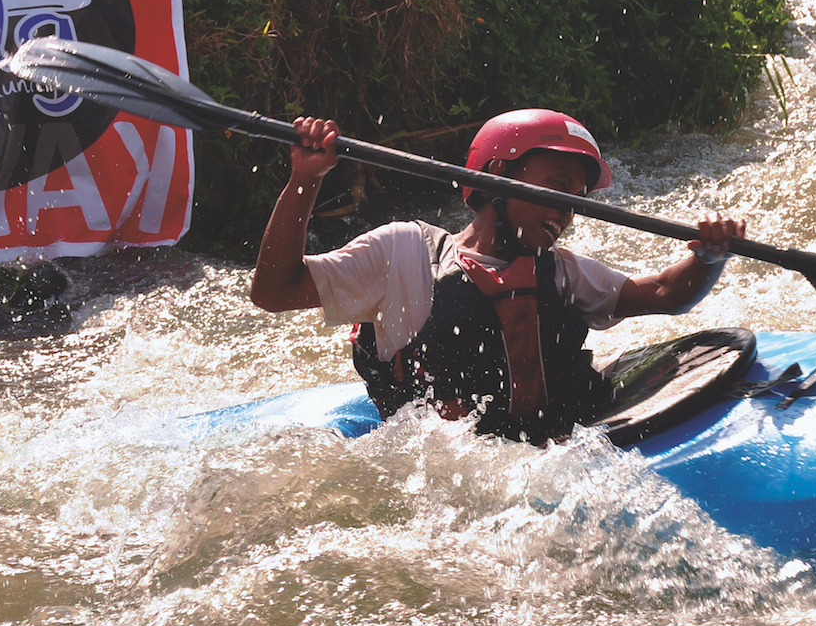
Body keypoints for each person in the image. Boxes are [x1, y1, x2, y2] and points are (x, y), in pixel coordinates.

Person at [251, 109, 745, 444]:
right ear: (495, 179)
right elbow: (274, 292)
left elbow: (664, 293)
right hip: (442, 476)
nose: (567, 210)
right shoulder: (405, 253)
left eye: (577, 197)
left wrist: (709, 258)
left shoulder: (562, 273)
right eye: (556, 186)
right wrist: (306, 179)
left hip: (549, 462)